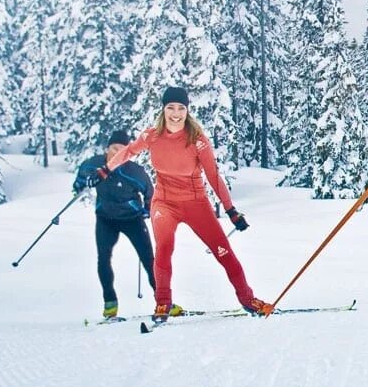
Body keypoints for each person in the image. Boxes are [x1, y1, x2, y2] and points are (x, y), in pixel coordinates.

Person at [87, 86, 271, 321]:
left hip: (196, 203)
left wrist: (231, 210)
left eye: (181, 108)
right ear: (163, 110)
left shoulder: (197, 140)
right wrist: (105, 169)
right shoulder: (152, 135)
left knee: (223, 252)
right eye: (171, 107)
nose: (176, 113)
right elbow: (129, 152)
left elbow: (213, 175)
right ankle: (162, 304)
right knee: (163, 249)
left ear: (187, 110)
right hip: (164, 202)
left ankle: (248, 299)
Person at [74, 129, 156, 319]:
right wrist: (81, 184)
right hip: (105, 218)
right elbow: (80, 180)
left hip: (132, 219)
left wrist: (146, 209)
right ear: (107, 148)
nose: (116, 153)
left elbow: (150, 192)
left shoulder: (134, 171)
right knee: (103, 258)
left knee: (149, 259)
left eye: (122, 149)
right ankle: (110, 304)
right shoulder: (93, 165)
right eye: (114, 148)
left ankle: (163, 300)